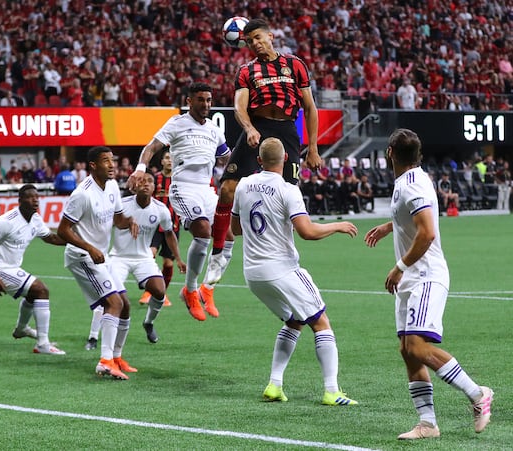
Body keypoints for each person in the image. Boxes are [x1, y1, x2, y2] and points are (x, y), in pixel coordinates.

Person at [364, 128, 493, 440]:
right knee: (408, 350)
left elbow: (428, 233)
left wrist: (399, 267)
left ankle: (478, 394)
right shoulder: (410, 180)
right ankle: (427, 423)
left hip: (425, 275)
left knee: (418, 347)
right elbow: (414, 218)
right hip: (413, 278)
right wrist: (388, 227)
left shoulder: (412, 185)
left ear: (390, 153)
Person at [204, 18, 322, 309]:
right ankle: (220, 252)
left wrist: (314, 148)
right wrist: (249, 129)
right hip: (256, 127)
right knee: (227, 189)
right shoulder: (246, 71)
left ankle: (286, 261)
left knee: (287, 198)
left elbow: (309, 107)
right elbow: (239, 107)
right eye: (248, 41)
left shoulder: (294, 64)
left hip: (286, 132)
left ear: (270, 36)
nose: (254, 44)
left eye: (257, 37)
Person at [231, 137, 358, 406]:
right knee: (321, 322)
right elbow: (308, 232)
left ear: (259, 160)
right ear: (286, 159)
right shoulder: (288, 189)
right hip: (282, 268)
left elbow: (235, 229)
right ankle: (332, 391)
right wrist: (337, 225)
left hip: (253, 274)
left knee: (294, 320)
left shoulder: (242, 185)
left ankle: (275, 385)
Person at [127, 83, 229, 321]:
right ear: (189, 100)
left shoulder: (214, 129)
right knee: (203, 231)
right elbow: (151, 147)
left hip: (206, 189)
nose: (205, 104)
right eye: (200, 99)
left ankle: (208, 288)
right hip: (183, 187)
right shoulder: (177, 123)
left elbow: (226, 157)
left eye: (208, 100)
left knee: (230, 233)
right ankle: (190, 290)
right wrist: (140, 169)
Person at [57, 146, 139, 380]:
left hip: (101, 255)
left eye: (112, 160)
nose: (112, 165)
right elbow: (63, 230)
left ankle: (117, 357)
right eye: (106, 161)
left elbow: (118, 219)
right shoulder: (82, 194)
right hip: (82, 256)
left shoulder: (112, 186)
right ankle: (104, 361)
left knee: (125, 304)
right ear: (93, 166)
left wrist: (129, 221)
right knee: (113, 302)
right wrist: (89, 247)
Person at [85, 171, 186, 348]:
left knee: (159, 291)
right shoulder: (121, 205)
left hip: (144, 258)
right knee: (109, 295)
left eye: (150, 181)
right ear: (135, 186)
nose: (146, 184)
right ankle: (93, 337)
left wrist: (178, 258)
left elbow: (169, 234)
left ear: (155, 187)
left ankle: (148, 323)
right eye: (142, 181)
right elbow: (103, 222)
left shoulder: (161, 210)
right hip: (118, 258)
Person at [0, 184, 66, 355]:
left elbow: (51, 238)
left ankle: (21, 330)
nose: (35, 200)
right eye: (30, 197)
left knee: (33, 294)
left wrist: (77, 241)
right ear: (20, 201)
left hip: (10, 268)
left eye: (37, 197)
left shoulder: (36, 219)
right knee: (41, 290)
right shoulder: (6, 222)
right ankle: (43, 344)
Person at [139, 149, 178, 307]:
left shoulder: (179, 180)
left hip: (172, 227)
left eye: (172, 158)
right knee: (150, 256)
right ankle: (149, 291)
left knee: (168, 264)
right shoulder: (154, 179)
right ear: (162, 161)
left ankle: (162, 293)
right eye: (167, 158)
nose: (169, 161)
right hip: (155, 226)